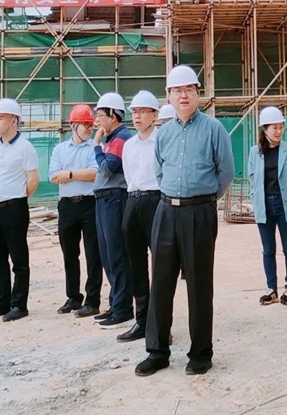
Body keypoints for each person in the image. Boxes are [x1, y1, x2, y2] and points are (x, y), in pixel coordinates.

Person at [135, 65, 234, 377]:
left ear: (197, 93)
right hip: (165, 210)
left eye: (189, 89)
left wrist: (203, 200)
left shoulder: (214, 129)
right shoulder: (163, 133)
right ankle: (157, 351)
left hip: (199, 212)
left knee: (199, 284)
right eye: (177, 91)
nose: (183, 95)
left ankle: (201, 353)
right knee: (161, 282)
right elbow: (160, 170)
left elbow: (225, 172)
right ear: (169, 95)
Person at [0, 98, 39, 323]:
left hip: (14, 208)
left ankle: (19, 305)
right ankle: (2, 301)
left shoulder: (25, 147)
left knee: (18, 259)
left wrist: (16, 198)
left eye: (1, 118)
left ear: (14, 120)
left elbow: (33, 180)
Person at [48, 105, 103, 318]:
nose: (89, 128)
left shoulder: (95, 147)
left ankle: (92, 300)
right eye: (85, 124)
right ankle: (73, 297)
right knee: (69, 253)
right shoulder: (60, 149)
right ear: (73, 125)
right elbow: (53, 175)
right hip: (67, 206)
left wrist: (69, 174)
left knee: (93, 254)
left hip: (90, 203)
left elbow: (95, 173)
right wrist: (80, 174)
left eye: (90, 124)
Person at [118, 91, 161, 343]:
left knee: (161, 265)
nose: (137, 116)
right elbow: (128, 176)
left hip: (155, 200)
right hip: (132, 201)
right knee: (136, 264)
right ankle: (141, 320)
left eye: (143, 111)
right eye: (134, 112)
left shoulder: (162, 141)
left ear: (154, 115)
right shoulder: (129, 145)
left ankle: (160, 323)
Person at [247, 106, 287, 306]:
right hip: (264, 205)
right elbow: (252, 177)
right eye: (274, 128)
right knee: (268, 249)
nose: (278, 131)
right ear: (264, 129)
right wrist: (255, 199)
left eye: (281, 127)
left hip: (285, 204)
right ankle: (271, 289)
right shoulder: (255, 152)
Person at [92, 92, 134, 329]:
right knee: (107, 256)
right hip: (103, 200)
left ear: (113, 115)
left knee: (117, 255)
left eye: (100, 115)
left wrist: (96, 145)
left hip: (115, 199)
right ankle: (115, 303)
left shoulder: (121, 138)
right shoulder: (111, 140)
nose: (97, 120)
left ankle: (123, 309)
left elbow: (107, 169)